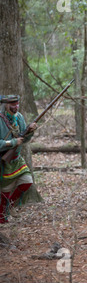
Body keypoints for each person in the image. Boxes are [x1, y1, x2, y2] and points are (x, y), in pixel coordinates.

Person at [0, 95, 37, 223]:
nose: (16, 107)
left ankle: (10, 206)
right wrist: (12, 142)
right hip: (3, 161)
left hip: (16, 158)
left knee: (27, 181)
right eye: (12, 104)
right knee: (5, 191)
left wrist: (30, 131)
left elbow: (24, 139)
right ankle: (2, 218)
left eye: (17, 104)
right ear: (5, 105)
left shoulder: (19, 117)